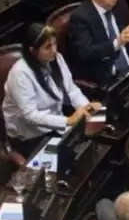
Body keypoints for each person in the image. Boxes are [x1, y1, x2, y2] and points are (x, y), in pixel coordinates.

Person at [2, 24, 101, 156]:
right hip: (31, 135)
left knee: (101, 131)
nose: (54, 50)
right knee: (69, 159)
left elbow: (71, 89)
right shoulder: (20, 74)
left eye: (54, 44)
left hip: (56, 120)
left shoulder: (56, 58)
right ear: (32, 50)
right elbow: (31, 116)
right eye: (48, 47)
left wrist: (86, 106)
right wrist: (68, 121)